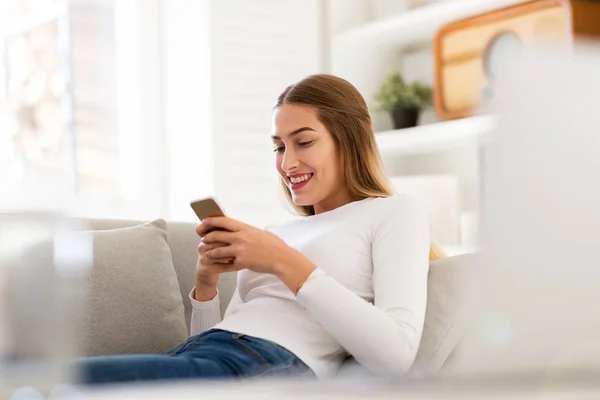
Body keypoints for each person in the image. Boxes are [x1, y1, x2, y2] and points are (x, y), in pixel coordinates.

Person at [79, 74, 446, 385]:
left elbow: (397, 353)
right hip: (209, 354)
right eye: (278, 147)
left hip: (265, 363)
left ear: (350, 140)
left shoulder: (394, 212)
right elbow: (214, 339)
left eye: (303, 142)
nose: (287, 163)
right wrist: (206, 287)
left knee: (53, 383)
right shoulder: (278, 231)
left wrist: (283, 261)